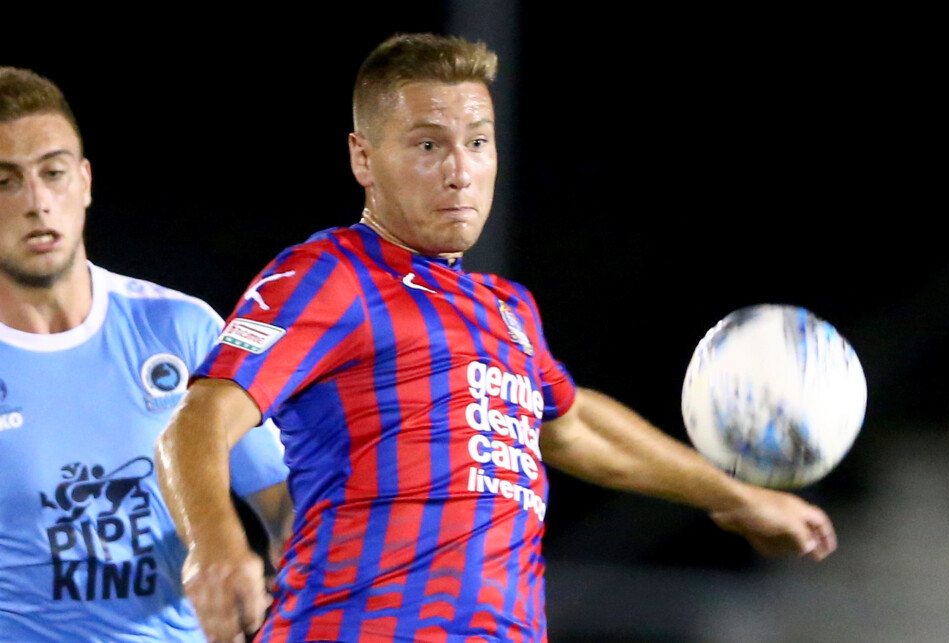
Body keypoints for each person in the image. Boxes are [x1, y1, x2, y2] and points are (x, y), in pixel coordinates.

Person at [156, 33, 837, 643]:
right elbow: (199, 415)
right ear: (363, 159)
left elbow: (571, 425)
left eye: (476, 142)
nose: (459, 170)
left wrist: (735, 496)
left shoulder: (506, 308)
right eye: (428, 144)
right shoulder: (331, 274)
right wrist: (213, 544)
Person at [0, 67, 293, 642]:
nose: (37, 202)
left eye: (53, 173)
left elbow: (286, 507)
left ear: (84, 182)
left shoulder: (181, 329)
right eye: (4, 181)